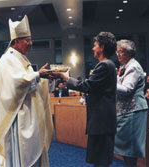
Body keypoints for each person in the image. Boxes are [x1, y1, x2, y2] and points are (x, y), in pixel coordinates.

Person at [0, 15, 53, 167]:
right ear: (16, 42)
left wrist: (43, 78)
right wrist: (37, 74)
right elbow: (15, 83)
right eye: (27, 40)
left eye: (30, 39)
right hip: (18, 116)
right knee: (22, 156)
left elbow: (29, 82)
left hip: (30, 113)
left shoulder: (21, 58)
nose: (30, 43)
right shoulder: (8, 59)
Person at [52, 32, 117, 167]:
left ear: (102, 47)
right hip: (103, 120)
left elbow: (86, 86)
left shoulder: (104, 65)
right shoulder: (107, 64)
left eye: (95, 45)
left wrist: (66, 77)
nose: (93, 48)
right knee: (100, 160)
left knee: (101, 161)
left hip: (102, 121)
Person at [115, 39, 148, 167]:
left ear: (130, 53)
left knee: (130, 150)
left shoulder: (133, 66)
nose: (118, 55)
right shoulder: (125, 66)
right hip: (126, 111)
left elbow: (127, 90)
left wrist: (109, 82)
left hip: (133, 111)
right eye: (117, 52)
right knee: (126, 149)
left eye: (121, 52)